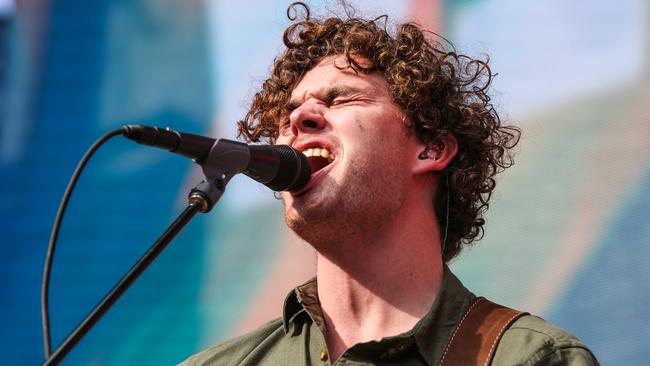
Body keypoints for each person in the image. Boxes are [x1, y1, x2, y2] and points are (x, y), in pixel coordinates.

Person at [182, 3, 598, 365]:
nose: (298, 119)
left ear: (430, 149)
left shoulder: (528, 358)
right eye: (290, 112)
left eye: (340, 98)